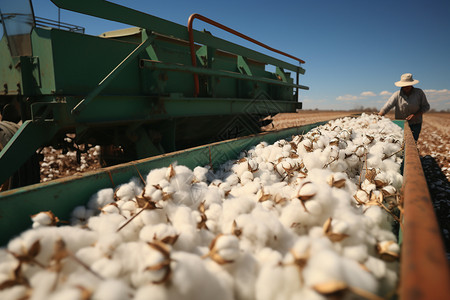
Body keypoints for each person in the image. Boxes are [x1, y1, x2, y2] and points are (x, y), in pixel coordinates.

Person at [378, 73, 430, 141]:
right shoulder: (397, 94)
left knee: (412, 142)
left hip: (415, 124)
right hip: (400, 124)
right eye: (404, 86)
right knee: (399, 142)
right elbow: (388, 106)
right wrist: (380, 115)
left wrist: (415, 115)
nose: (406, 87)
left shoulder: (419, 93)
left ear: (411, 84)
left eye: (408, 85)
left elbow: (426, 106)